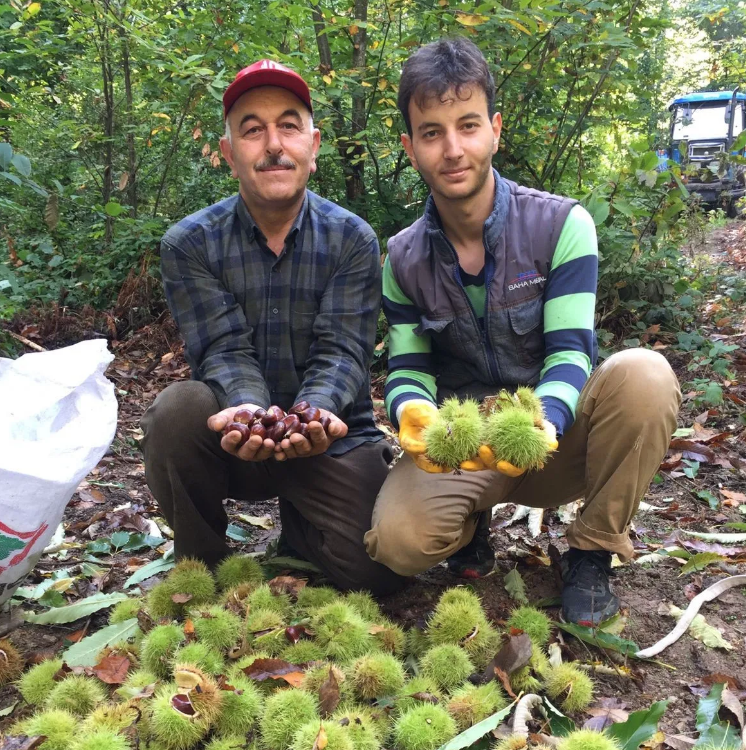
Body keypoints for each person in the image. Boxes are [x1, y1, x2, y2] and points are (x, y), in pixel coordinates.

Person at [363, 38, 682, 623]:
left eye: (467, 125)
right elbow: (410, 366)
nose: (453, 148)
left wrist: (542, 425)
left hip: (552, 437)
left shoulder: (563, 225)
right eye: (432, 132)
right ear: (410, 148)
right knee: (398, 542)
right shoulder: (401, 258)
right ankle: (468, 528)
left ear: (495, 130)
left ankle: (592, 549)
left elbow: (569, 355)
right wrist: (409, 408)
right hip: (464, 448)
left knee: (646, 376)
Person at [141, 60, 404, 595]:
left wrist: (319, 415)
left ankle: (304, 530)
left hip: (332, 438)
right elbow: (223, 348)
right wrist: (252, 411)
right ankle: (205, 562)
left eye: (288, 125)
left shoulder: (352, 239)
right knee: (175, 412)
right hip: (235, 437)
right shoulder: (190, 244)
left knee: (379, 575)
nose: (273, 145)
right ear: (228, 152)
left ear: (314, 144)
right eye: (252, 130)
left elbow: (343, 350)